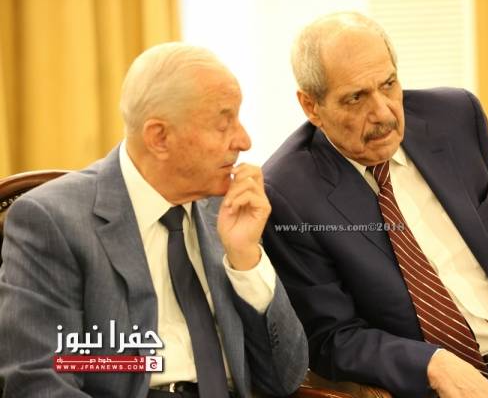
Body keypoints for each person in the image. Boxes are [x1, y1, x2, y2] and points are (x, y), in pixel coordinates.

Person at [262, 12, 488, 398]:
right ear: (311, 106)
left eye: (388, 84)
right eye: (356, 97)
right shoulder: (289, 193)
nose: (384, 113)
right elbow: (331, 337)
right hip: (435, 388)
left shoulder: (455, 117)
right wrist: (431, 364)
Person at [0, 42, 308, 398]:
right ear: (159, 137)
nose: (244, 140)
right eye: (223, 125)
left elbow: (285, 378)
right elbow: (38, 380)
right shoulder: (54, 220)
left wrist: (246, 259)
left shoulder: (225, 210)